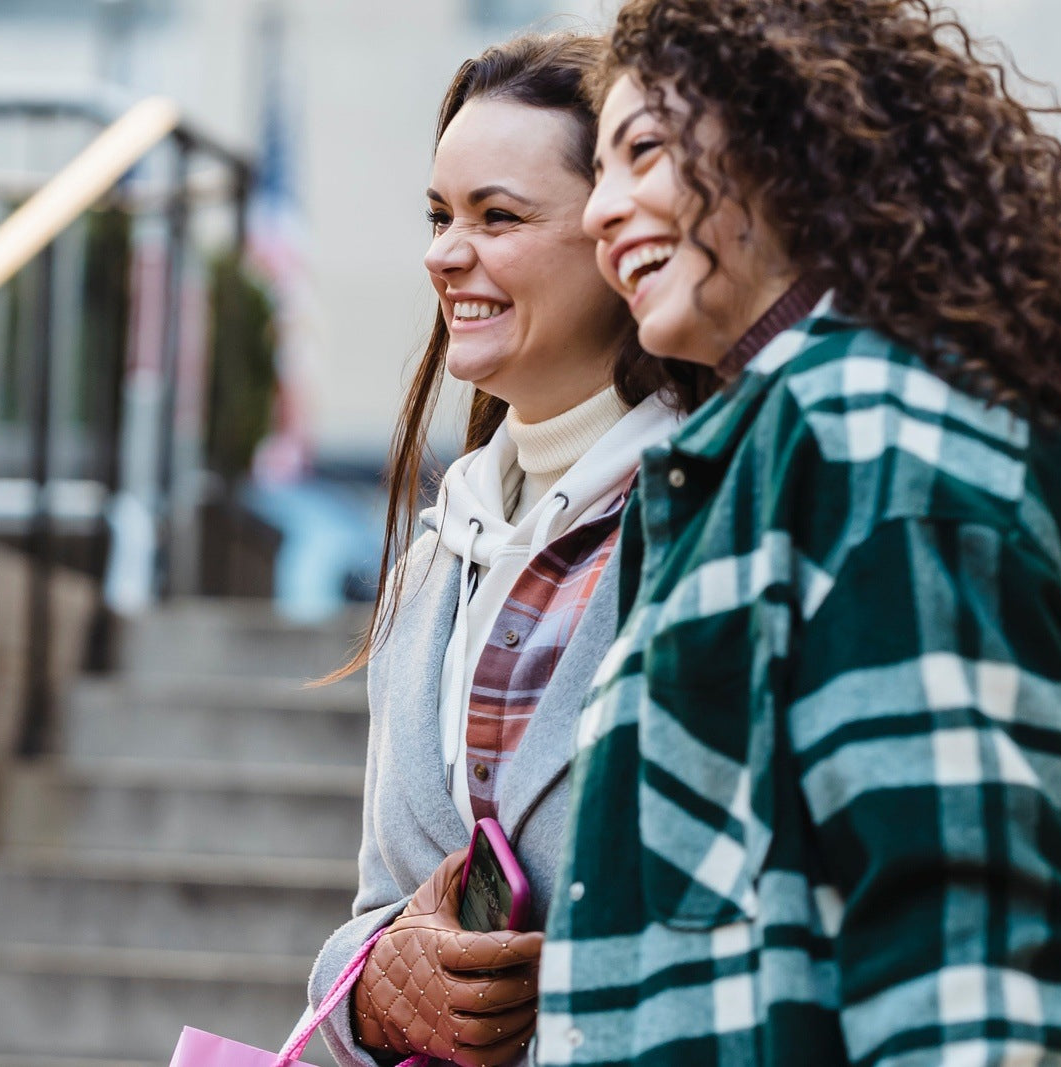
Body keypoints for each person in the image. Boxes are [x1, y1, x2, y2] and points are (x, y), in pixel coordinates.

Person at [537, 1, 1061, 1065]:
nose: (601, 211)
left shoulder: (883, 429)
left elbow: (964, 975)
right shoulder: (772, 447)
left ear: (787, 140)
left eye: (643, 150)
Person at [304, 31, 702, 1067]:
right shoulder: (429, 565)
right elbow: (382, 910)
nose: (444, 251)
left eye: (497, 216)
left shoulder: (713, 523)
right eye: (439, 215)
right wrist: (372, 991)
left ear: (620, 237)